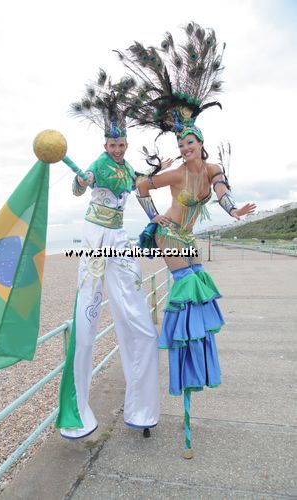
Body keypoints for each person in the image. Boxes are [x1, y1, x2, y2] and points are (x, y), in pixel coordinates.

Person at [116, 22, 256, 457]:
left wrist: (233, 211)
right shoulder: (176, 173)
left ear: (201, 143)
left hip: (187, 239)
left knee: (197, 294)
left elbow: (223, 193)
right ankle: (183, 365)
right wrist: (151, 213)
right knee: (190, 289)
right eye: (180, 141)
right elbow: (141, 184)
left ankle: (189, 367)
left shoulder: (211, 171)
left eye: (190, 140)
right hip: (166, 234)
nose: (185, 146)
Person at [55, 70, 163, 439]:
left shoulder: (128, 168)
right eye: (113, 145)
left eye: (121, 145)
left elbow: (144, 196)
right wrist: (81, 181)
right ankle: (77, 411)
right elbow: (78, 185)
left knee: (140, 325)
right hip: (95, 236)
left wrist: (156, 219)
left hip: (118, 238)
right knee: (85, 323)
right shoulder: (99, 165)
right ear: (105, 144)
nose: (117, 150)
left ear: (126, 145)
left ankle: (143, 408)